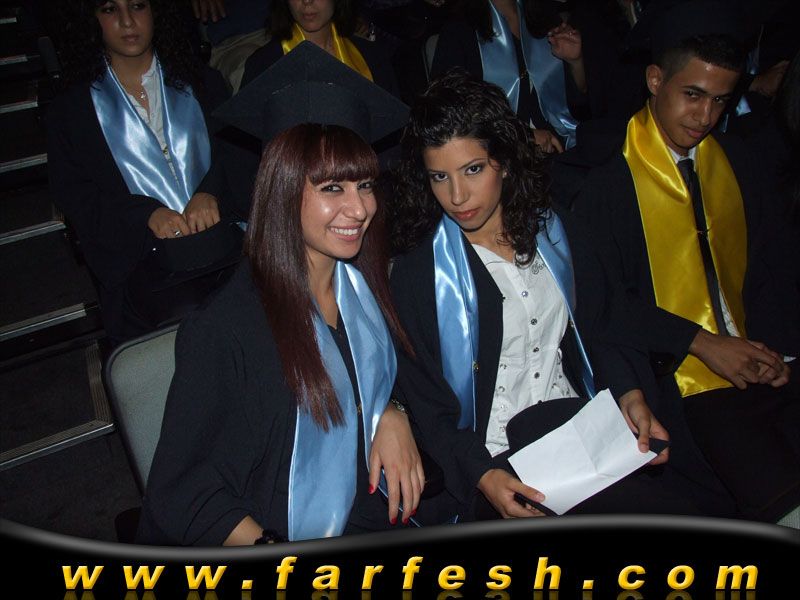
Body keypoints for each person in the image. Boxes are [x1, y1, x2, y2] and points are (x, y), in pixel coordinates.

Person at [136, 42, 425, 545]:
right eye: (332, 188)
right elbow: (184, 493)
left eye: (364, 184)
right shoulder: (225, 332)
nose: (360, 209)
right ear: (283, 190)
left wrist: (390, 411)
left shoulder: (361, 290)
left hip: (371, 512)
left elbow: (369, 384)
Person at [388, 69, 698, 522]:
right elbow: (428, 405)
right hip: (495, 459)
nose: (457, 196)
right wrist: (482, 475)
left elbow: (599, 325)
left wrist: (629, 394)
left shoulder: (555, 234)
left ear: (504, 161)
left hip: (580, 430)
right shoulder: (422, 274)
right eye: (439, 176)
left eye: (473, 169)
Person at [572, 1, 800, 522]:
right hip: (679, 382)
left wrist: (779, 354)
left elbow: (773, 271)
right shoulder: (602, 180)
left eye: (720, 100)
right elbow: (604, 306)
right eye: (692, 95)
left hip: (761, 362)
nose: (705, 117)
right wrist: (702, 343)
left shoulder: (741, 161)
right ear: (655, 80)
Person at [47, 0, 241, 347]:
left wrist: (210, 191)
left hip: (223, 244)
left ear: (156, 11)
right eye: (110, 9)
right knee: (193, 323)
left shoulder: (201, 82)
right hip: (143, 264)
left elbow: (238, 154)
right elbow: (77, 195)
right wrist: (144, 215)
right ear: (92, 19)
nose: (127, 21)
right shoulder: (72, 110)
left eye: (137, 5)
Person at [429, 0, 618, 152]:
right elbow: (449, 112)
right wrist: (523, 135)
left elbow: (579, 107)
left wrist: (575, 62)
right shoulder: (459, 30)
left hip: (565, 143)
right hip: (500, 154)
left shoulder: (544, 18)